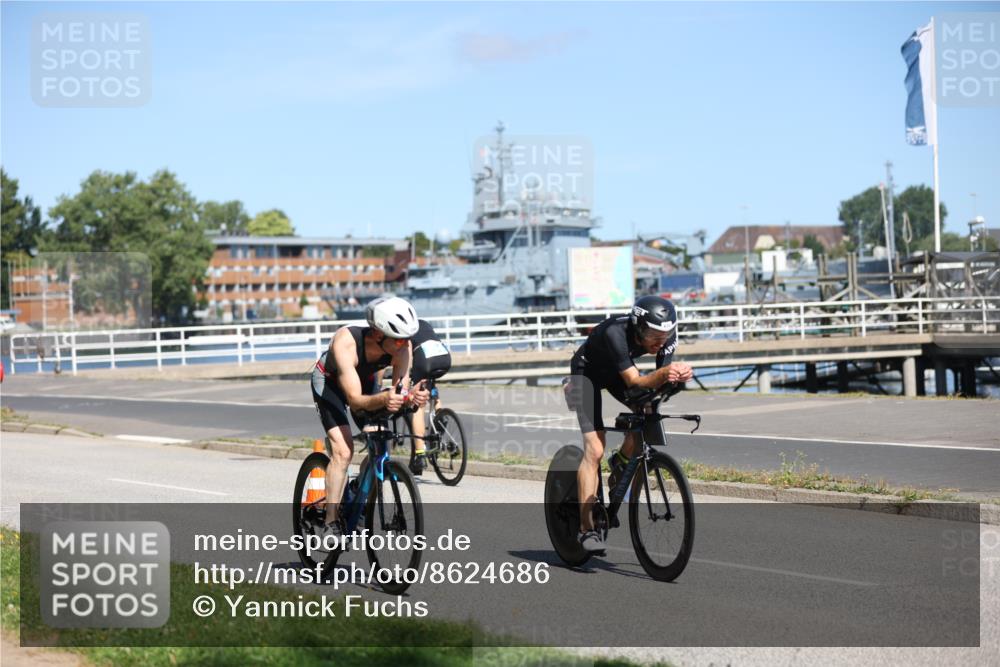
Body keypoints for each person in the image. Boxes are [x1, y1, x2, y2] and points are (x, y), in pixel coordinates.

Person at [564, 295, 693, 554]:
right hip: (586, 373)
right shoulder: (615, 333)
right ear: (637, 326)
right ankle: (585, 528)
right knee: (595, 449)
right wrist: (665, 375)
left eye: (664, 335)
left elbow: (659, 382)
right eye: (651, 335)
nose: (659, 342)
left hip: (616, 374)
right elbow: (635, 382)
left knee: (645, 415)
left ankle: (621, 464)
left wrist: (678, 378)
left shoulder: (667, 335)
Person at [310, 296, 429, 539]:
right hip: (330, 384)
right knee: (343, 451)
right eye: (398, 339)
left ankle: (355, 494)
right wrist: (386, 399)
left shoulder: (402, 348)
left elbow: (399, 392)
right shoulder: (345, 342)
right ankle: (331, 521)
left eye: (408, 338)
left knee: (380, 449)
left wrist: (411, 398)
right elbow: (355, 400)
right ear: (377, 334)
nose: (405, 344)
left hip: (366, 384)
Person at [374, 319, 452, 475]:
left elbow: (406, 355)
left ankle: (419, 454)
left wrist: (400, 385)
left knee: (417, 405)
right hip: (444, 356)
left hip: (425, 357)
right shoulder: (423, 324)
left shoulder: (403, 330)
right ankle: (439, 411)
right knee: (428, 384)